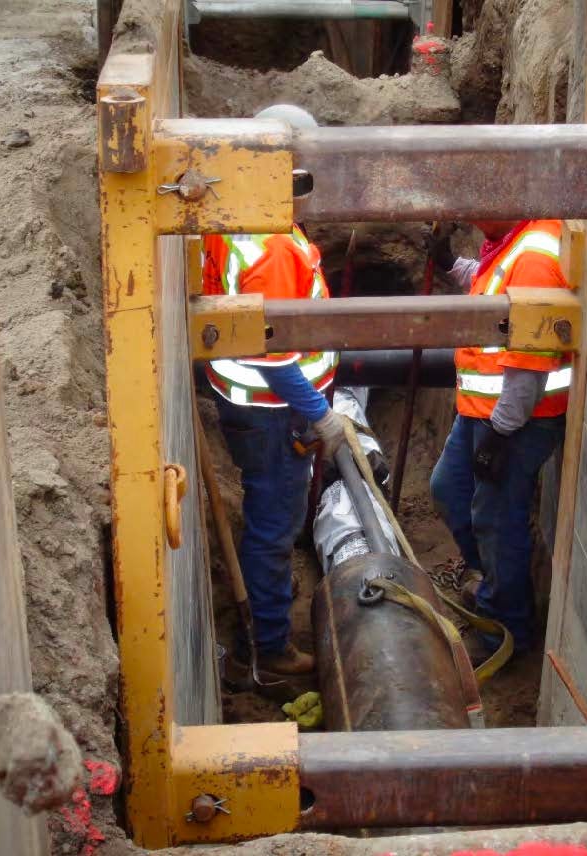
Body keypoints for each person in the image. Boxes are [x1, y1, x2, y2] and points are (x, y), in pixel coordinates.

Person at [201, 104, 346, 676]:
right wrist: (321, 415)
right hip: (275, 412)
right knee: (274, 527)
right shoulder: (273, 248)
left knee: (271, 519)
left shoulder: (231, 217)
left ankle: (264, 631)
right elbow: (277, 353)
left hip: (250, 406)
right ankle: (270, 649)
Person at [428, 219, 572, 663]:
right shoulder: (511, 242)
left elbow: (529, 362)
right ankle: (494, 580)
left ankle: (504, 632)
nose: (472, 219)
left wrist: (501, 434)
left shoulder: (533, 258)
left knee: (495, 519)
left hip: (516, 420)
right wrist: (452, 265)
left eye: (478, 210)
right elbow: (492, 285)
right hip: (483, 412)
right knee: (449, 490)